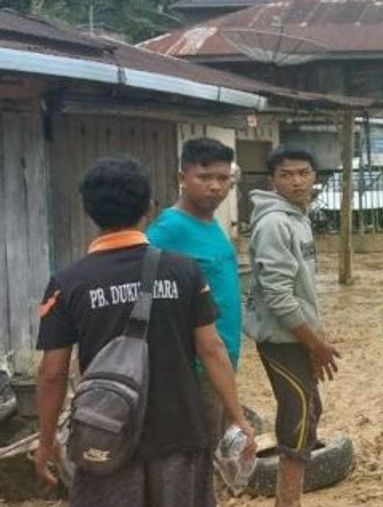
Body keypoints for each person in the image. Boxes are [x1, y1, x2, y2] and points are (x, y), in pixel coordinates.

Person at [34, 156, 255, 507]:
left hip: (105, 435)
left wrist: (47, 440)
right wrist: (239, 418)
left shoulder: (67, 283)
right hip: (180, 432)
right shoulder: (184, 272)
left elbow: (52, 373)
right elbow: (211, 350)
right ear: (149, 207)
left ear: (89, 210)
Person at [244, 146, 339, 507]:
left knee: (309, 411)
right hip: (281, 338)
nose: (297, 181)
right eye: (287, 174)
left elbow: (304, 289)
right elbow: (279, 296)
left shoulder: (299, 217)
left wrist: (317, 337)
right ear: (274, 180)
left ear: (315, 177)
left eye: (304, 172)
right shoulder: (273, 223)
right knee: (297, 416)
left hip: (298, 336)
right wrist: (315, 344)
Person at [147, 138, 241, 446]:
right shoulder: (168, 229)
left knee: (215, 449)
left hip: (222, 359)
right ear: (181, 179)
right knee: (197, 455)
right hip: (194, 366)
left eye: (223, 178)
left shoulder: (212, 224)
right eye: (204, 177)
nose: (215, 186)